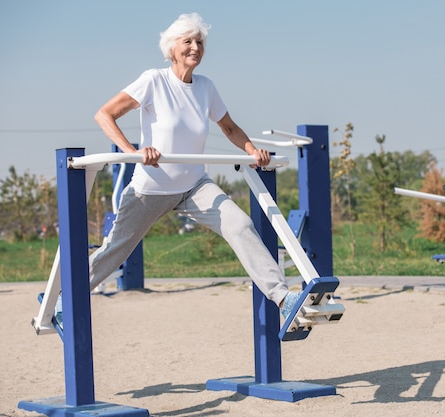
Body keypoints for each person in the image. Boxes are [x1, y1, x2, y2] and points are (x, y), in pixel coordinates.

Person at [88, 12, 300, 316]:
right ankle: (65, 299)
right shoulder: (153, 81)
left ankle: (283, 299)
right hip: (152, 186)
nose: (195, 47)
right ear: (172, 47)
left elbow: (229, 128)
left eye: (199, 41)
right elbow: (104, 114)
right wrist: (132, 152)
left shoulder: (205, 87)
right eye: (188, 41)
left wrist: (253, 150)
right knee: (116, 249)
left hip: (194, 187)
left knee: (240, 225)